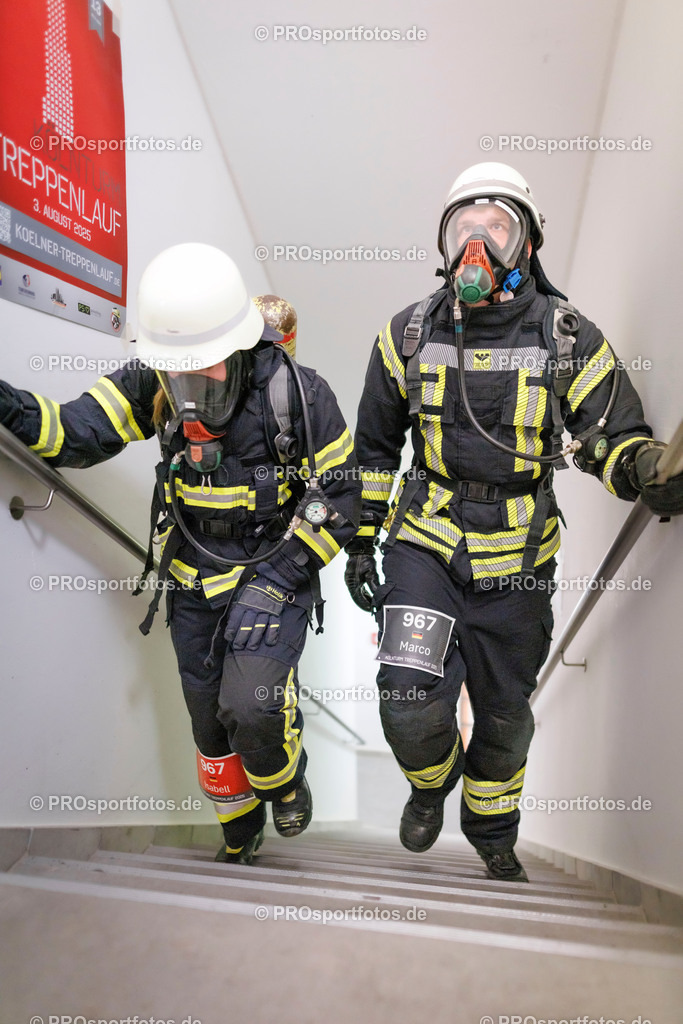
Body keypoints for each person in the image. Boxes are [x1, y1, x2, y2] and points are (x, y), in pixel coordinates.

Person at [344, 163, 683, 882]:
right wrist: (359, 541)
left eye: (495, 227)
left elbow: (609, 433)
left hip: (518, 561)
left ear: (526, 244)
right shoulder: (403, 334)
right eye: (462, 227)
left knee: (504, 720)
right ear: (443, 242)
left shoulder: (565, 338)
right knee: (406, 694)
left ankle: (490, 828)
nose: (478, 243)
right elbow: (372, 450)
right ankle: (429, 787)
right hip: (425, 544)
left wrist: (647, 471)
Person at [0, 243, 361, 864]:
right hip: (194, 579)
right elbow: (75, 432)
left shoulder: (299, 395)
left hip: (275, 572)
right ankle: (241, 832)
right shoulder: (154, 382)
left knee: (252, 706)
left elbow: (344, 496)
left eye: (206, 370)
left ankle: (286, 780)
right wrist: (8, 406)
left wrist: (278, 579)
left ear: (240, 347)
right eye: (177, 371)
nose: (189, 392)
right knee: (210, 728)